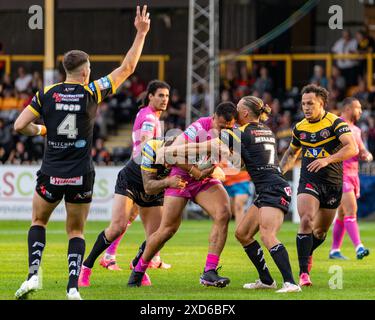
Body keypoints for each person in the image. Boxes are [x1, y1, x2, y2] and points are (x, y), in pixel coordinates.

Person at [13, 5, 150, 300]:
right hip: (80, 174)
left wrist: (43, 130)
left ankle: (33, 275)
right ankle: (73, 288)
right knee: (76, 232)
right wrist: (140, 34)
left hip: (51, 172)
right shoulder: (92, 91)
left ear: (65, 71)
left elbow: (20, 125)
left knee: (38, 222)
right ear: (86, 72)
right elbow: (127, 68)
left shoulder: (47, 93)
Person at [128, 102, 237, 288]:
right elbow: (170, 156)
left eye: (228, 128)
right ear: (213, 118)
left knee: (223, 213)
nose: (224, 131)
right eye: (220, 127)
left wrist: (211, 168)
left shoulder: (231, 134)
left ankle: (209, 271)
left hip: (203, 179)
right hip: (182, 175)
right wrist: (194, 170)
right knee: (167, 230)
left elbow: (221, 159)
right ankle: (138, 270)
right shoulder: (197, 128)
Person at [78, 136, 187, 287]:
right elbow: (148, 185)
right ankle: (86, 267)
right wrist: (169, 182)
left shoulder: (185, 153)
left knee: (158, 236)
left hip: (155, 191)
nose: (169, 163)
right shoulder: (152, 147)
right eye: (168, 158)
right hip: (131, 183)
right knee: (117, 228)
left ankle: (137, 265)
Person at [280, 84, 358, 287]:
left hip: (332, 184)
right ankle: (303, 273)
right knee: (305, 220)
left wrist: (327, 159)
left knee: (321, 232)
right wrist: (279, 174)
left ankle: (307, 252)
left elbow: (352, 148)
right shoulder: (300, 127)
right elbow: (291, 153)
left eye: (310, 103)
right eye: (303, 103)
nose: (306, 107)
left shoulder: (335, 123)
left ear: (321, 103)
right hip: (309, 180)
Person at [221, 96, 301, 293]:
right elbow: (243, 163)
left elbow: (227, 156)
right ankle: (266, 280)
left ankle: (291, 283)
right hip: (270, 187)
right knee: (242, 234)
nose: (234, 112)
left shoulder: (240, 133)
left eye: (237, 108)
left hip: (272, 188)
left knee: (267, 235)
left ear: (245, 113)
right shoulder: (267, 131)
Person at [97, 80, 173, 272]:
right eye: (160, 95)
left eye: (167, 96)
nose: (165, 99)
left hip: (140, 169)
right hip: (143, 173)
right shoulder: (149, 119)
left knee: (131, 218)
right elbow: (147, 145)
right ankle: (117, 257)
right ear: (150, 96)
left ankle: (113, 257)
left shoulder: (149, 115)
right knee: (151, 220)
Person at [329, 97, 373, 260]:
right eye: (358, 108)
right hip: (341, 175)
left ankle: (334, 250)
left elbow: (361, 150)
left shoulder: (356, 129)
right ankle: (359, 247)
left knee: (341, 214)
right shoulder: (336, 126)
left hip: (354, 175)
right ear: (347, 109)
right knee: (351, 210)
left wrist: (366, 154)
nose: (360, 111)